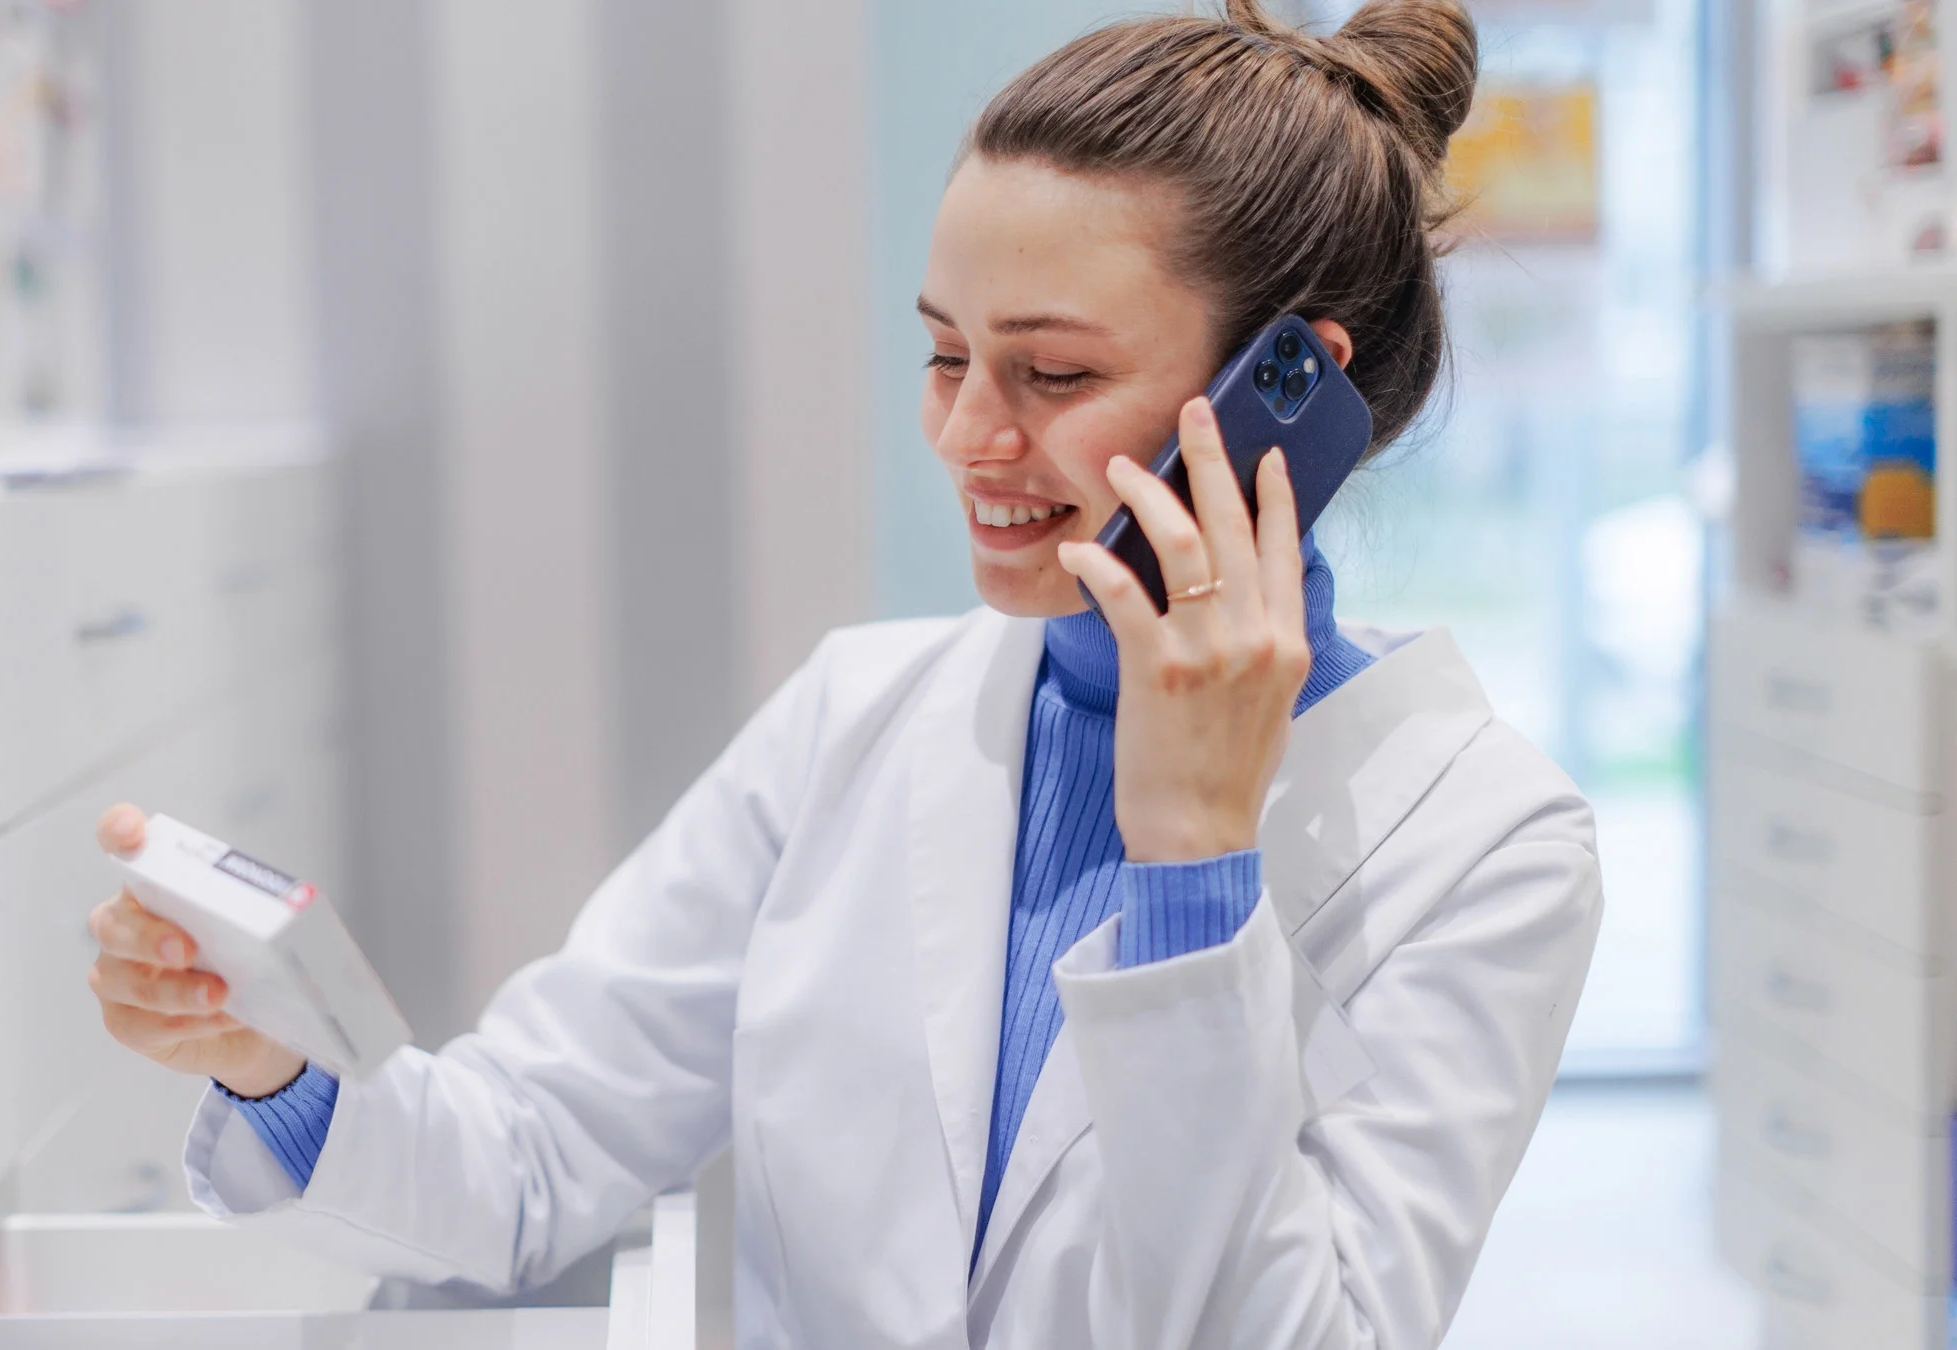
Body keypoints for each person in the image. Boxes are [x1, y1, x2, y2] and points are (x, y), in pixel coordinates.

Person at [86, 3, 1602, 1345]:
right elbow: (536, 1147)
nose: (967, 437)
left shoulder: (1488, 849)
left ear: (1292, 390)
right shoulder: (857, 717)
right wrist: (276, 1061)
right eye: (947, 354)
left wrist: (1196, 862)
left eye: (1055, 373)